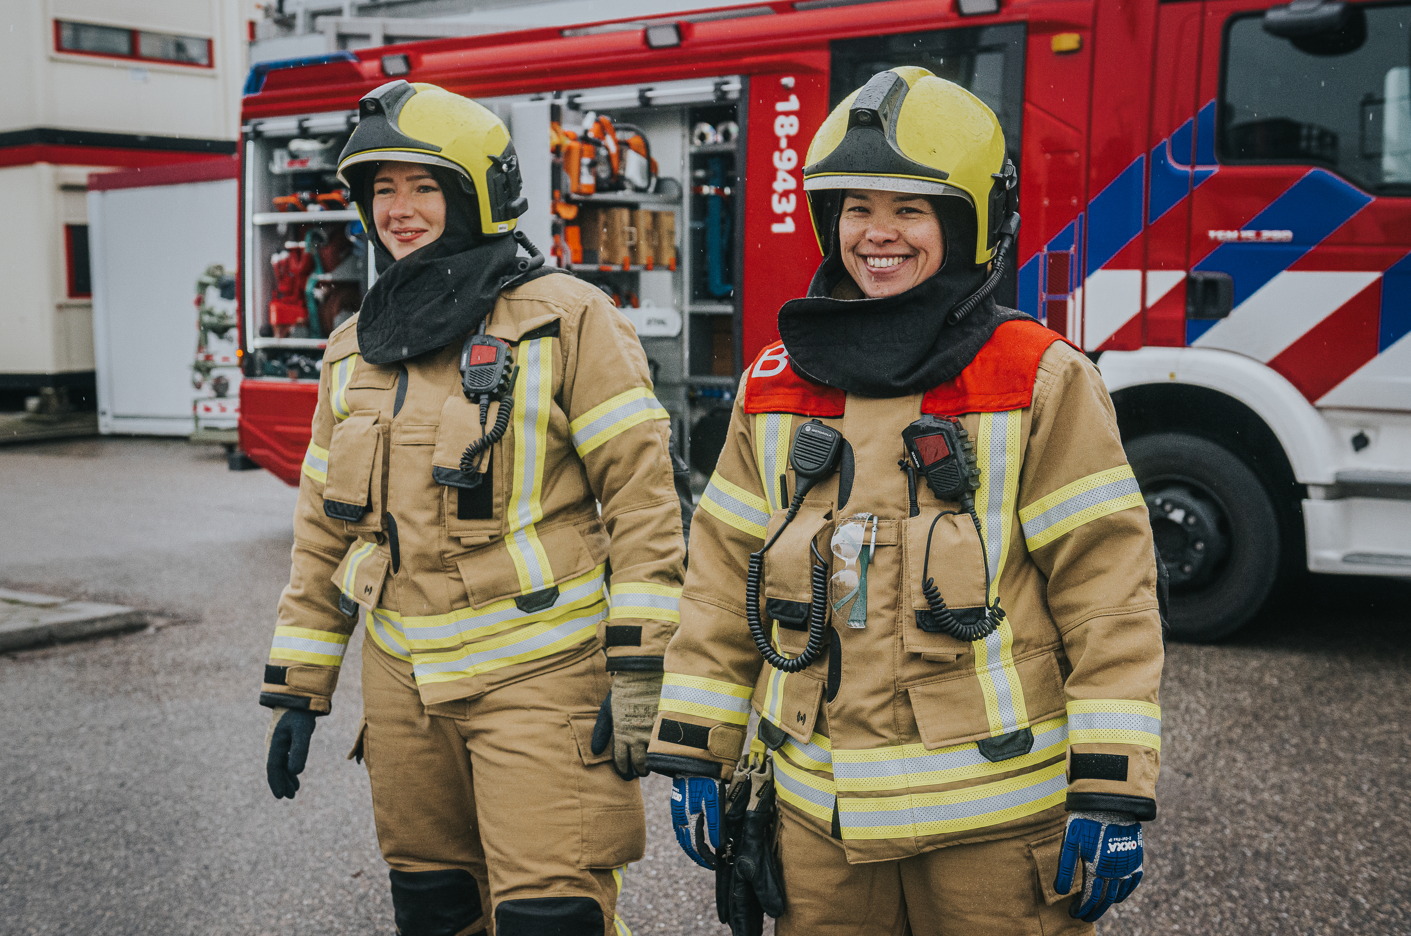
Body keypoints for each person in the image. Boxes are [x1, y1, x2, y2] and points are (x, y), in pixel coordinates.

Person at [647, 68, 1164, 935]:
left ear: (966, 224)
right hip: (818, 832)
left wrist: (1110, 786)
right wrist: (696, 745)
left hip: (992, 835)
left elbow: (1106, 590)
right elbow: (716, 581)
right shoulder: (772, 383)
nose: (876, 234)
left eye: (909, 209)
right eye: (856, 208)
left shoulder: (1039, 378)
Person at [259, 80, 685, 936]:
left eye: (423, 185)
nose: (400, 210)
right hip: (402, 692)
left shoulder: (568, 319)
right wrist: (299, 688)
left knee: (550, 917)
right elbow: (324, 534)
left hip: (541, 680)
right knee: (434, 909)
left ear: (475, 191)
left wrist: (642, 666)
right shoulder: (352, 349)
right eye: (382, 188)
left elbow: (643, 507)